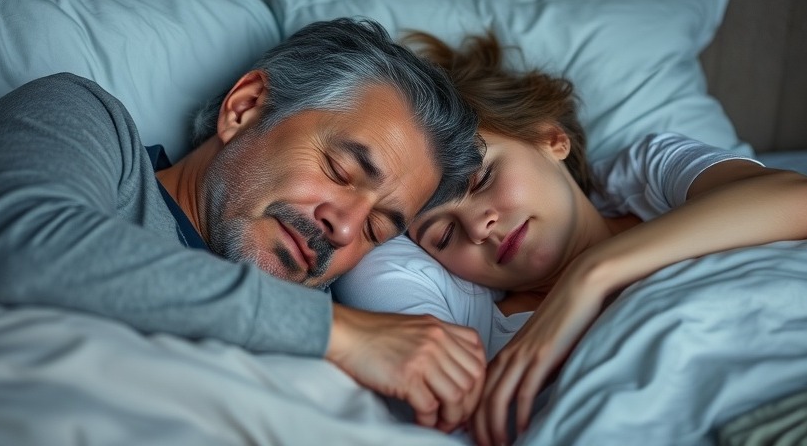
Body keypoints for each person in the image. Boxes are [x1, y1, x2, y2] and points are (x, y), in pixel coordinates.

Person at [0, 19, 487, 432]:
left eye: (376, 232)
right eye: (339, 171)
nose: (343, 228)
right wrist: (337, 332)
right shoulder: (84, 120)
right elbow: (30, 249)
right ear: (244, 108)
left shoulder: (338, 335)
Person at [334, 31, 807, 445]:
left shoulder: (648, 181)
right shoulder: (479, 330)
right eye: (444, 234)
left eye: (482, 179)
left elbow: (795, 198)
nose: (479, 227)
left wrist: (590, 275)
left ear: (549, 138)